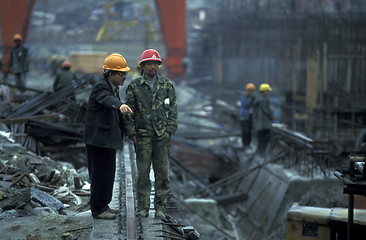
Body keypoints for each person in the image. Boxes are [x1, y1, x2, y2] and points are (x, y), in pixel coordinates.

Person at [124, 49, 178, 218]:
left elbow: (173, 109)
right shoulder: (134, 86)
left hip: (162, 135)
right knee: (143, 173)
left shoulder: (167, 85)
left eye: (156, 63)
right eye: (150, 63)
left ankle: (160, 208)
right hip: (143, 135)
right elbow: (129, 111)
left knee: (162, 172)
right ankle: (143, 207)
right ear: (143, 66)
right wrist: (132, 132)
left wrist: (170, 129)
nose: (153, 66)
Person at [84, 53, 133, 220]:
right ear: (110, 73)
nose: (124, 76)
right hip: (98, 140)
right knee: (99, 175)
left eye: (125, 73)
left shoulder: (113, 87)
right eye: (121, 73)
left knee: (108, 174)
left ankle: (104, 205)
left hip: (107, 140)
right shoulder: (101, 87)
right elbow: (106, 99)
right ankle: (97, 209)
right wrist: (120, 105)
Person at [254, 83, 273, 156]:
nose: (268, 92)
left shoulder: (257, 99)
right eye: (268, 91)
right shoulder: (264, 100)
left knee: (260, 137)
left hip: (259, 123)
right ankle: (262, 153)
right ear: (264, 91)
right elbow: (267, 111)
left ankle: (260, 152)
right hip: (265, 123)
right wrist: (271, 113)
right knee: (265, 138)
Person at [239, 83, 256, 149]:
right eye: (249, 91)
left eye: (252, 91)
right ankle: (245, 144)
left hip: (250, 116)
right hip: (244, 116)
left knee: (249, 131)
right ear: (247, 91)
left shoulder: (253, 98)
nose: (251, 92)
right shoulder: (244, 97)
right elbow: (244, 105)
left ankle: (248, 144)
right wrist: (250, 101)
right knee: (245, 131)